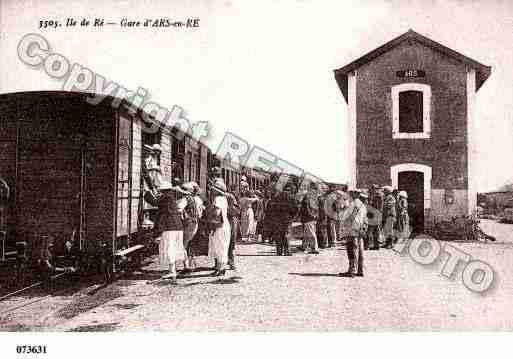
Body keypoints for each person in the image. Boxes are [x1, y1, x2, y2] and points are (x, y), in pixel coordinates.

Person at [155, 181, 188, 283]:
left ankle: (172, 272)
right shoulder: (172, 198)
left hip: (170, 227)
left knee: (169, 249)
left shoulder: (165, 199)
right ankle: (173, 270)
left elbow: (163, 215)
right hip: (178, 226)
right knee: (176, 247)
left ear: (163, 191)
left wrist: (158, 231)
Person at [340, 189, 367, 278]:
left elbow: (350, 217)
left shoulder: (353, 204)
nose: (350, 195)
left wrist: (345, 228)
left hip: (353, 230)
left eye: (351, 193)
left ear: (355, 194)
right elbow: (365, 219)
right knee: (360, 250)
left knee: (352, 249)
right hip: (360, 230)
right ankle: (360, 270)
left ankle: (352, 270)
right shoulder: (362, 205)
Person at [207, 178, 231, 276]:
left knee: (219, 246)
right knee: (222, 246)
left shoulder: (218, 199)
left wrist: (209, 212)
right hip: (224, 224)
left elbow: (217, 212)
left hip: (219, 226)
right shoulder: (224, 199)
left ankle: (221, 268)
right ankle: (220, 267)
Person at [267, 184, 298, 256]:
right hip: (287, 219)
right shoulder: (291, 198)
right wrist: (292, 217)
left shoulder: (276, 197)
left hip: (277, 219)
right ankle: (287, 251)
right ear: (289, 189)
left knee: (278, 235)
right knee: (286, 234)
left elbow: (270, 208)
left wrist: (273, 217)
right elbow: (296, 209)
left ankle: (279, 251)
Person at [180, 182, 200, 274]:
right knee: (190, 243)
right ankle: (192, 264)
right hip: (195, 223)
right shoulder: (196, 199)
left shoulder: (186, 199)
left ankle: (186, 266)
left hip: (188, 224)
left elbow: (179, 208)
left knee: (183, 245)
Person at [299, 182, 320, 254]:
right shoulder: (315, 196)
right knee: (306, 233)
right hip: (313, 217)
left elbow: (306, 208)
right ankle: (304, 246)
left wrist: (310, 215)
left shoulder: (308, 196)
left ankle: (315, 248)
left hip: (308, 217)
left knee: (311, 233)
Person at [226, 184, 241, 270]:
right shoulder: (232, 197)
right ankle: (231, 262)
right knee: (231, 242)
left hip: (227, 220)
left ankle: (224, 261)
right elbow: (235, 210)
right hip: (230, 221)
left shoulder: (228, 196)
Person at [367, 184, 383, 250]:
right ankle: (376, 245)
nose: (373, 189)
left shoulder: (377, 196)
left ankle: (370, 245)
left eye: (373, 188)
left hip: (375, 214)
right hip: (376, 214)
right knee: (376, 230)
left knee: (371, 230)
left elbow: (375, 206)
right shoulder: (377, 195)